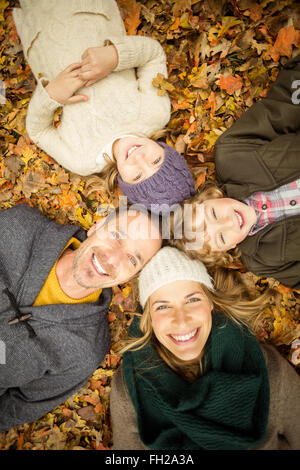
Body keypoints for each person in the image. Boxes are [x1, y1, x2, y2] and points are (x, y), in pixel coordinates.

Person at [12, 0, 196, 212]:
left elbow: (38, 131)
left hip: (40, 29)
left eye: (137, 176)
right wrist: (116, 57)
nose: (139, 159)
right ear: (166, 149)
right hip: (88, 10)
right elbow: (153, 55)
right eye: (156, 160)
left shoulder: (81, 159)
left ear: (124, 184)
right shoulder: (154, 113)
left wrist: (51, 94)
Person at [110, 247, 300, 450]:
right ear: (149, 318)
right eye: (163, 306)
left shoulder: (264, 367)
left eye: (192, 300)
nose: (181, 321)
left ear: (210, 302)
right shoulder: (130, 387)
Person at [0, 202, 162, 432]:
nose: (112, 258)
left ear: (132, 276)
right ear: (96, 227)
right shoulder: (18, 227)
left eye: (132, 259)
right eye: (116, 235)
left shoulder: (85, 351)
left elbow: (20, 407)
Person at [169, 52, 300, 288]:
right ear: (227, 250)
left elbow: (284, 107)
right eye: (221, 237)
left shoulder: (235, 153)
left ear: (209, 197)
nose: (228, 222)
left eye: (214, 215)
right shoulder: (263, 259)